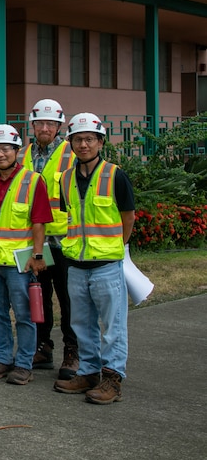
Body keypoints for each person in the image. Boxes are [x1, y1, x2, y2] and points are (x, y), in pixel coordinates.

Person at [53, 113, 136, 404]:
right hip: (76, 265)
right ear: (71, 143)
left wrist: (115, 246)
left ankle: (113, 379)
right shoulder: (65, 178)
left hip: (106, 266)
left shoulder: (115, 175)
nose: (84, 144)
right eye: (78, 139)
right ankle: (88, 373)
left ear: (100, 142)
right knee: (82, 324)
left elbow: (128, 217)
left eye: (89, 139)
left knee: (113, 326)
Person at [0, 124, 52, 385]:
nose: (0, 154)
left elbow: (39, 222)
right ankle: (3, 359)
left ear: (17, 150)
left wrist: (37, 256)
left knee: (24, 315)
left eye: (6, 148)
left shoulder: (32, 180)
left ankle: (24, 364)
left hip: (20, 264)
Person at [18, 98, 79, 379]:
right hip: (35, 242)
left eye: (50, 123)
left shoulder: (72, 153)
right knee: (38, 297)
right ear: (32, 125)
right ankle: (42, 347)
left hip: (64, 241)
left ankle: (72, 352)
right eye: (39, 123)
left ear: (59, 126)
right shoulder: (22, 155)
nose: (44, 128)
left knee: (69, 300)